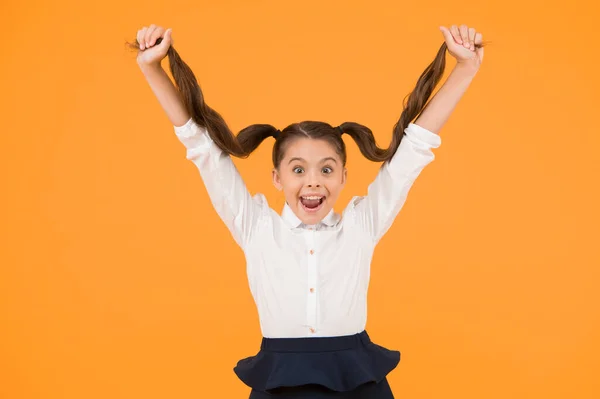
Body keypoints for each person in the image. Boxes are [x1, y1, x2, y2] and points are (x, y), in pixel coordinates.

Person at [130, 23, 485, 399]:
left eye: (326, 169)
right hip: (278, 378)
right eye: (298, 169)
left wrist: (466, 68)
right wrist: (152, 67)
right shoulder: (255, 226)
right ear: (277, 178)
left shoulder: (362, 225)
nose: (313, 181)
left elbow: (414, 149)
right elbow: (201, 146)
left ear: (344, 177)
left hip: (359, 380)